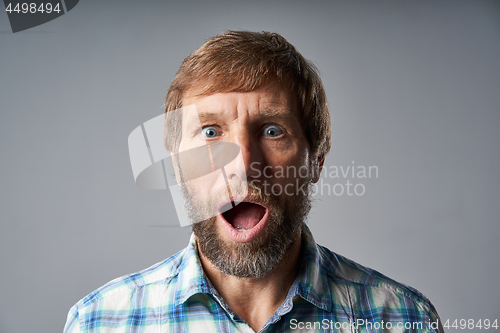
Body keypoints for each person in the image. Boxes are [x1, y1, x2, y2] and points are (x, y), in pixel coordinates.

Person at [64, 30, 444, 333]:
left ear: (316, 162)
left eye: (273, 130)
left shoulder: (402, 320)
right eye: (211, 132)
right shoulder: (99, 322)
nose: (243, 164)